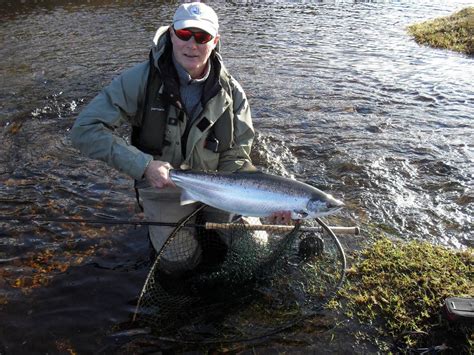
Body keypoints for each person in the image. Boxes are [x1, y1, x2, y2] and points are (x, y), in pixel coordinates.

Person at [71, 2, 290, 273]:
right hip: (163, 189)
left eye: (202, 37)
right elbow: (84, 129)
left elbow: (237, 155)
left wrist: (267, 203)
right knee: (178, 262)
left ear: (215, 41)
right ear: (172, 34)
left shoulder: (232, 93)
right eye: (185, 35)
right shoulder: (139, 80)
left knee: (255, 247)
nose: (192, 45)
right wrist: (143, 166)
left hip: (221, 191)